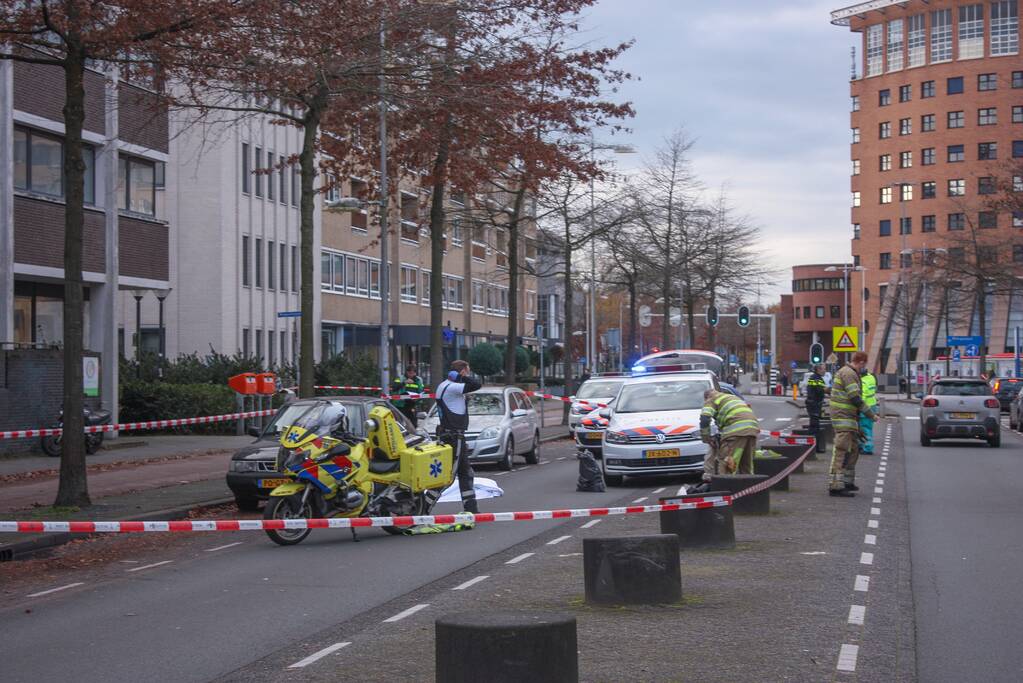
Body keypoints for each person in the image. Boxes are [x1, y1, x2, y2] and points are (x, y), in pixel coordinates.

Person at [434, 360, 481, 514]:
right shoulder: (453, 387)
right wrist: (463, 377)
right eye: (467, 371)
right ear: (462, 371)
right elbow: (476, 384)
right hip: (454, 436)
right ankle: (422, 506)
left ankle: (471, 509)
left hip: (452, 435)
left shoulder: (444, 385)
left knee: (465, 473)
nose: (468, 374)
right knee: (448, 476)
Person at [828, 351, 878, 497]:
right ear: (861, 362)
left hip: (849, 417)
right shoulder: (848, 374)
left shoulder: (850, 373)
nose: (864, 367)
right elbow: (855, 398)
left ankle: (847, 481)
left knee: (854, 449)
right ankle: (835, 486)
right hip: (843, 417)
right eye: (864, 364)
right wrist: (871, 415)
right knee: (842, 450)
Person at [698, 388, 760, 481]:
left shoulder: (711, 399)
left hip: (735, 433)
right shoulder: (732, 397)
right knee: (746, 464)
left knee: (727, 463)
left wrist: (706, 438)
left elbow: (705, 418)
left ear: (706, 397)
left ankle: (727, 489)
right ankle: (748, 490)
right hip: (752, 430)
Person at [805, 364, 827, 449]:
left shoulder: (815, 377)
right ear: (818, 369)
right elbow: (820, 390)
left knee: (815, 425)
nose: (825, 371)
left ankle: (813, 446)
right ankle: (812, 447)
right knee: (814, 426)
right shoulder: (816, 378)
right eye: (824, 369)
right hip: (814, 404)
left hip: (813, 404)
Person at [859, 367, 878, 455]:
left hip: (865, 407)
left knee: (864, 428)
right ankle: (863, 445)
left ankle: (867, 447)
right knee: (868, 427)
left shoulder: (863, 382)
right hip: (873, 404)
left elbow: (863, 396)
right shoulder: (871, 377)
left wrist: (857, 405)